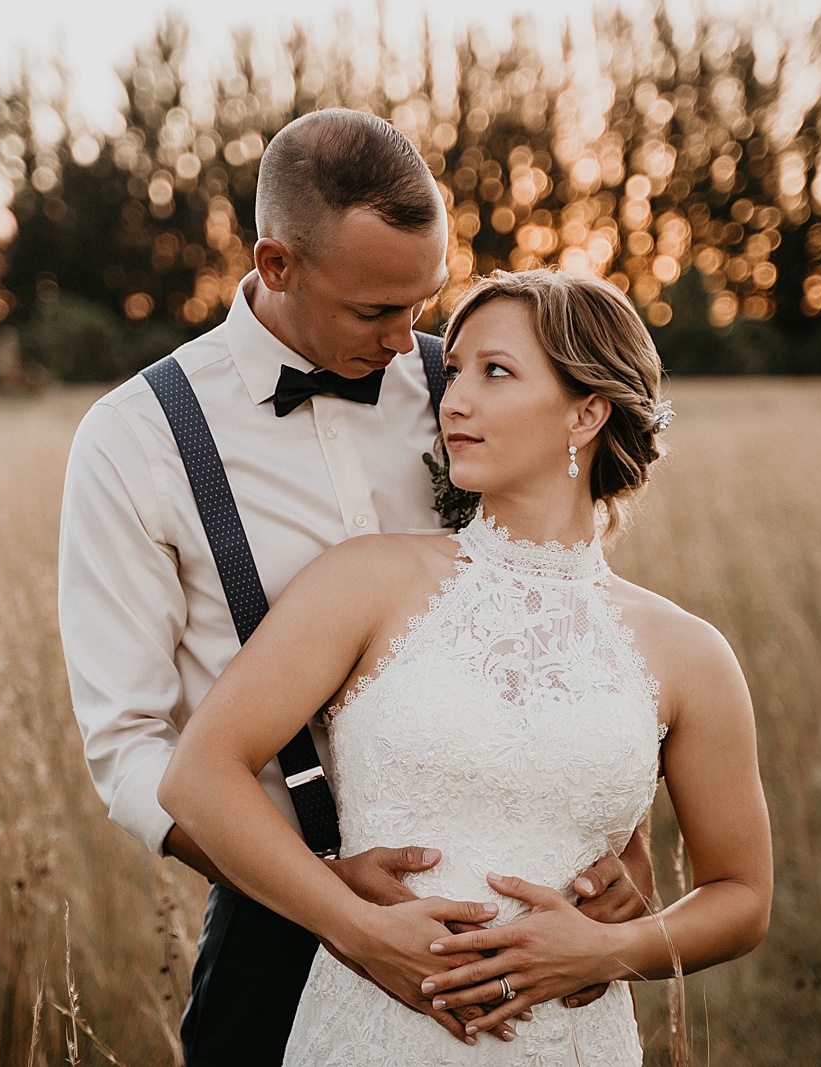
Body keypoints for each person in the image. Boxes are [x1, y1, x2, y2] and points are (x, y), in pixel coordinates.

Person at [58, 109, 657, 1065]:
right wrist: (330, 898)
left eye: (421, 303)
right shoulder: (136, 441)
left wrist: (620, 845)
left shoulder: (464, 392)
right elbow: (129, 743)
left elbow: (567, 610)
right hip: (275, 907)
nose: (405, 341)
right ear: (279, 264)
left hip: (516, 913)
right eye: (375, 312)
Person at [158, 267, 773, 1064]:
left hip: (571, 1042)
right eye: (454, 372)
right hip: (369, 1031)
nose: (453, 400)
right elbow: (198, 774)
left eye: (496, 372)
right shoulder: (366, 580)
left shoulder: (689, 651)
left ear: (587, 411)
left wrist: (603, 952)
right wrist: (359, 929)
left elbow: (742, 895)